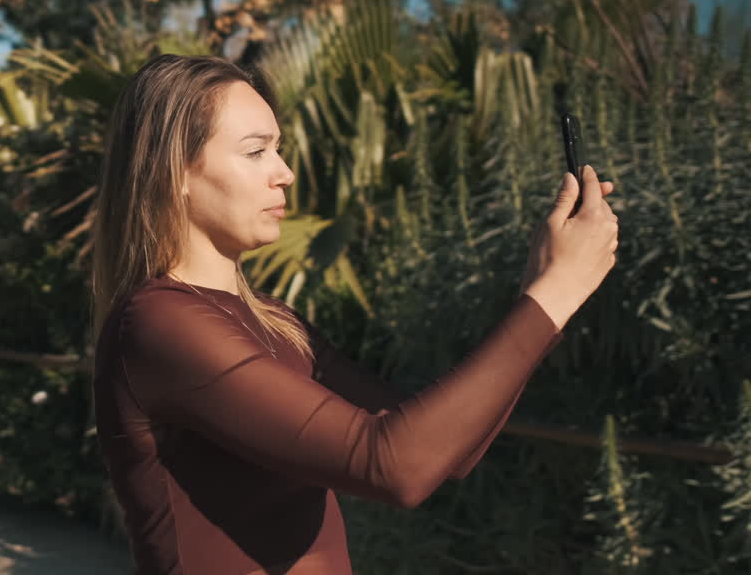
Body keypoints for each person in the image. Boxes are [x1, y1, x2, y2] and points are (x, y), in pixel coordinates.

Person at [89, 54, 620, 574]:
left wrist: (545, 288)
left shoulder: (277, 322)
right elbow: (395, 467)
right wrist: (552, 297)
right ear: (173, 171)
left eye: (280, 149)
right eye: (256, 152)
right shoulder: (159, 324)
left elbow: (446, 451)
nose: (286, 173)